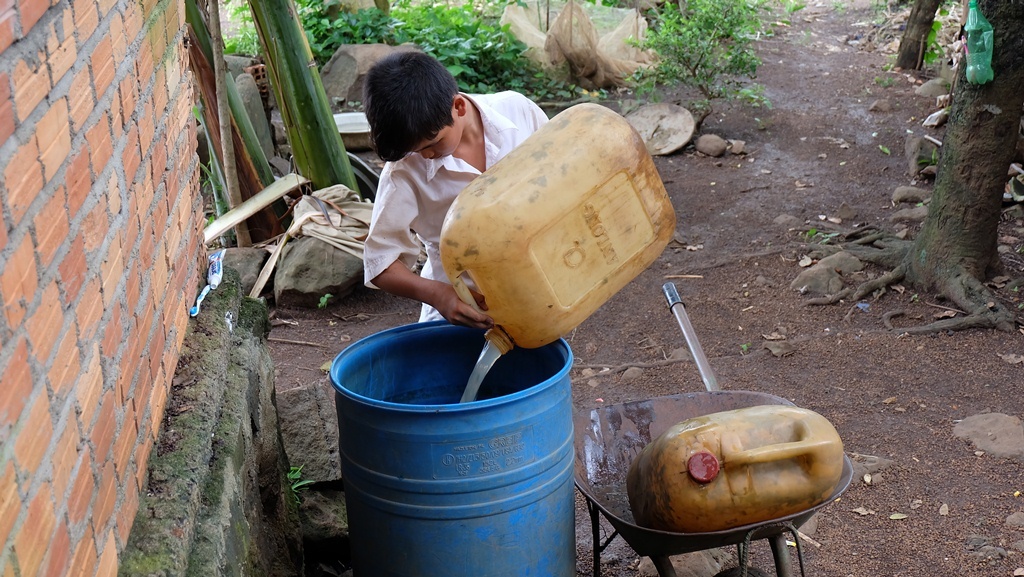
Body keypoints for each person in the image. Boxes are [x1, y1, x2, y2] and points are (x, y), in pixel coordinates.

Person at [361, 51, 548, 329]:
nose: (424, 156)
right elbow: (379, 263)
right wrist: (438, 295)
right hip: (459, 314)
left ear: (458, 107)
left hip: (539, 294)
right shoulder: (404, 170)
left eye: (431, 144)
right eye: (414, 150)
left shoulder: (518, 112)